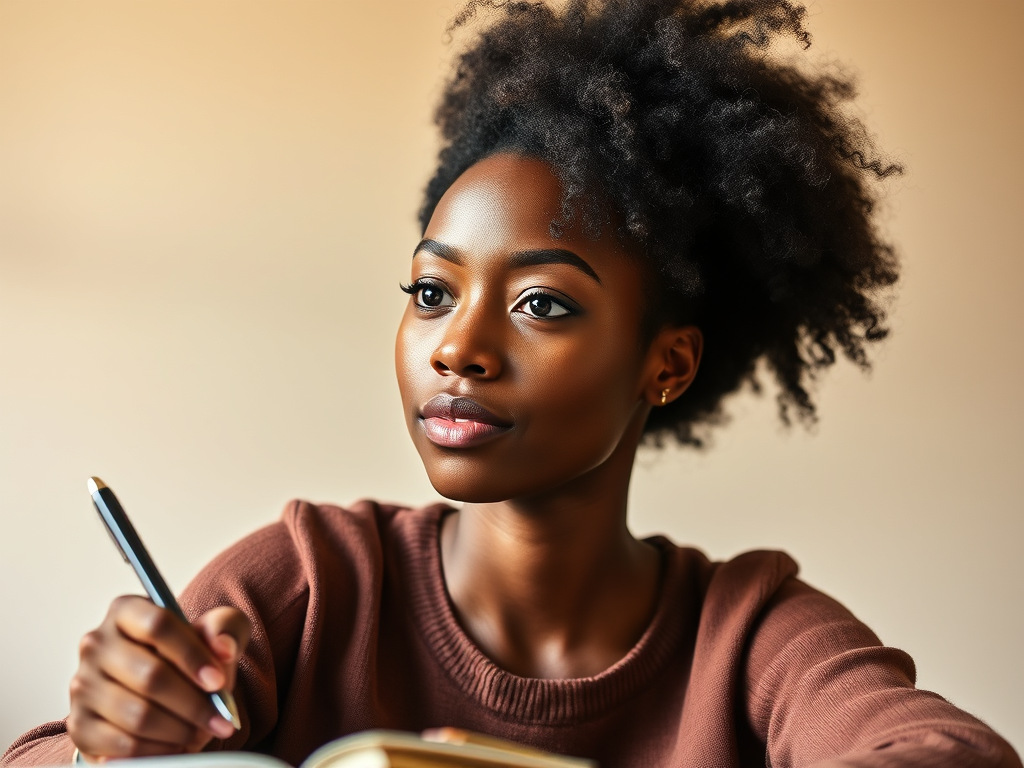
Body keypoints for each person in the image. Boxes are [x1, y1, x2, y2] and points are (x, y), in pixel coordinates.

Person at [4, 1, 1020, 766]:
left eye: (542, 304)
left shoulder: (749, 635)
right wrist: (114, 743)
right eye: (433, 291)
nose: (457, 348)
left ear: (665, 363)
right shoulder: (316, 580)